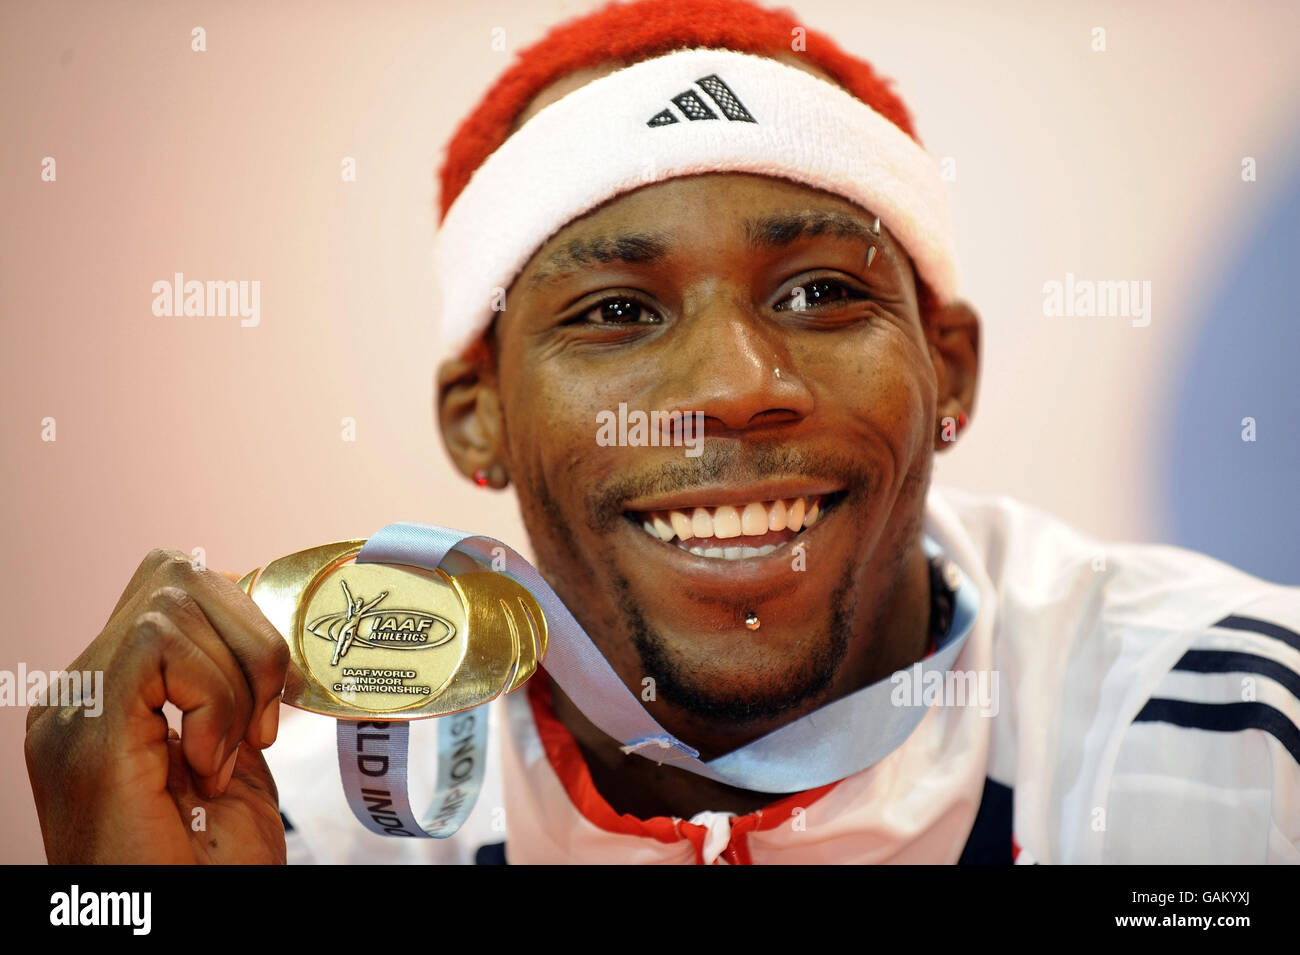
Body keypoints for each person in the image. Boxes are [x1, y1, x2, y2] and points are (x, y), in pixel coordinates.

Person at [25, 0, 1300, 865]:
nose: (737, 384)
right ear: (480, 420)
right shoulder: (297, 818)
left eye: (821, 291)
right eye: (617, 310)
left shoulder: (1243, 736)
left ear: (947, 370)